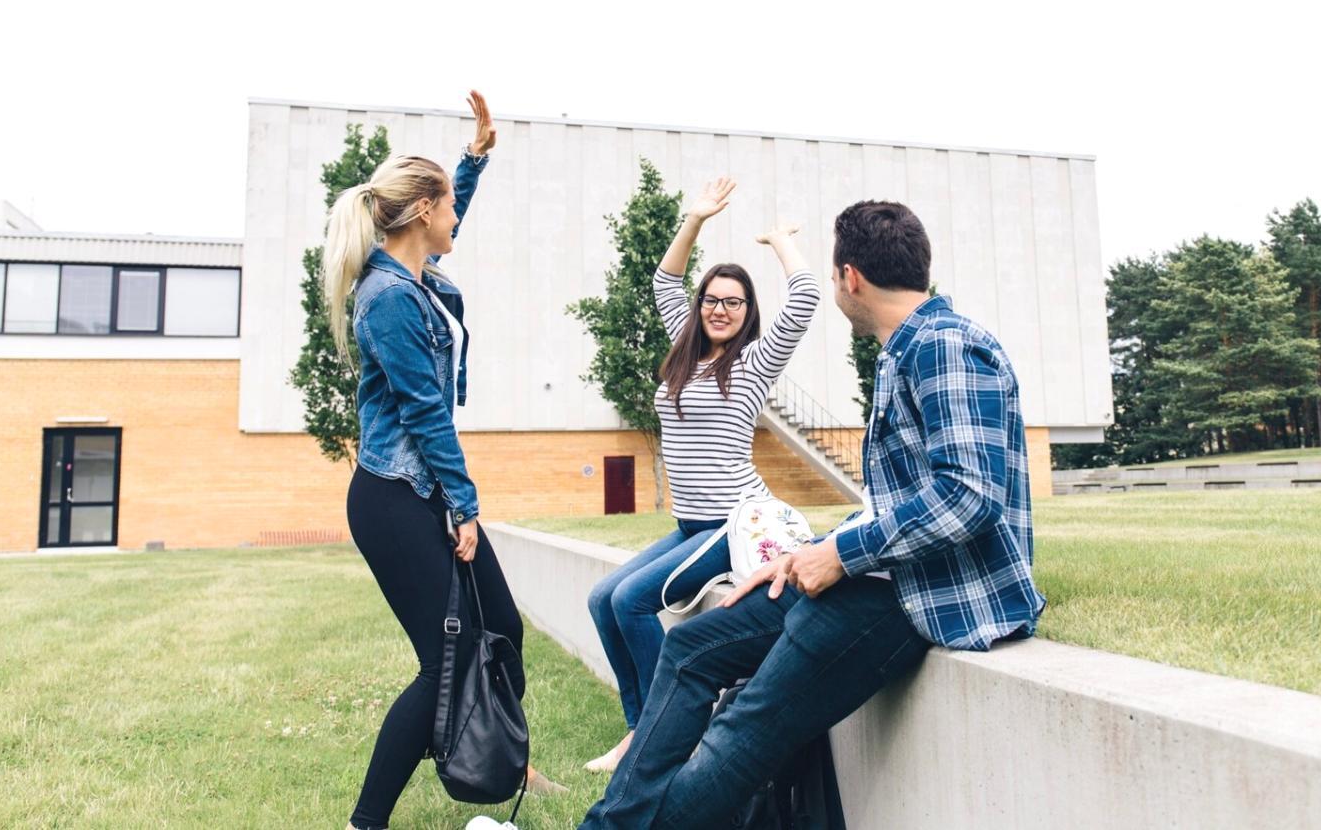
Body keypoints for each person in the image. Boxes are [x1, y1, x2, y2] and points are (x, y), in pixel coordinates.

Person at [579, 200, 1046, 828]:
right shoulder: (908, 350)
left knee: (747, 725)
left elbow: (968, 497)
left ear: (850, 277)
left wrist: (841, 555)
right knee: (691, 646)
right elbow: (900, 505)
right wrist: (809, 554)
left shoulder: (946, 346)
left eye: (832, 276)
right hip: (885, 573)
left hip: (923, 595)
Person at [324, 92, 555, 830]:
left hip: (420, 488)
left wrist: (474, 159)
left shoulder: (417, 274)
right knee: (443, 661)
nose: (456, 215)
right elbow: (424, 413)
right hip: (396, 496)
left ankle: (501, 758)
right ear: (422, 210)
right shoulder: (387, 298)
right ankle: (366, 821)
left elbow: (450, 217)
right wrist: (463, 504)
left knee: (503, 632)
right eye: (448, 203)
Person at [584, 176, 821, 773]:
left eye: (733, 302)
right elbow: (665, 280)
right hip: (690, 524)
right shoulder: (684, 353)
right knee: (600, 599)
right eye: (712, 299)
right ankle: (639, 729)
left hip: (730, 521)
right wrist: (695, 219)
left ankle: (667, 731)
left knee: (634, 602)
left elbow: (808, 296)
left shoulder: (755, 363)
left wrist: (779, 241)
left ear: (747, 313)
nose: (720, 309)